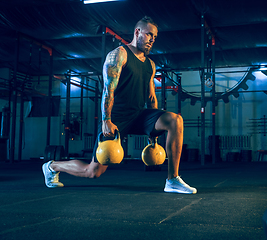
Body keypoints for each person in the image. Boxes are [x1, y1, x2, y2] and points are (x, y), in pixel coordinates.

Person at [42, 16, 197, 194]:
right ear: (137, 32)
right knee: (93, 172)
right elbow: (108, 90)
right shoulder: (119, 55)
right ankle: (52, 166)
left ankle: (173, 180)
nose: (152, 40)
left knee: (174, 120)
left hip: (140, 115)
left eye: (154, 37)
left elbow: (151, 96)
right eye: (148, 35)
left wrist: (153, 132)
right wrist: (106, 119)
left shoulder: (150, 65)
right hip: (117, 117)